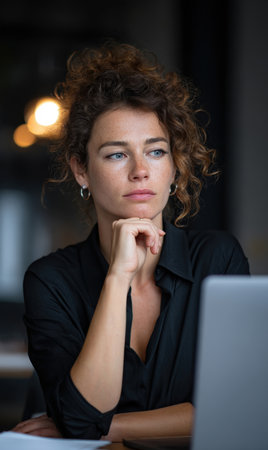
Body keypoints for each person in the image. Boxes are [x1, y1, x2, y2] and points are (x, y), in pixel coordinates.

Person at [13, 42, 249, 441]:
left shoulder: (218, 261)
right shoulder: (50, 280)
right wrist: (118, 277)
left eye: (156, 152)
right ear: (81, 170)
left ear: (174, 167)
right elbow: (89, 407)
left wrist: (98, 429)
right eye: (116, 155)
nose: (141, 171)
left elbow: (237, 411)